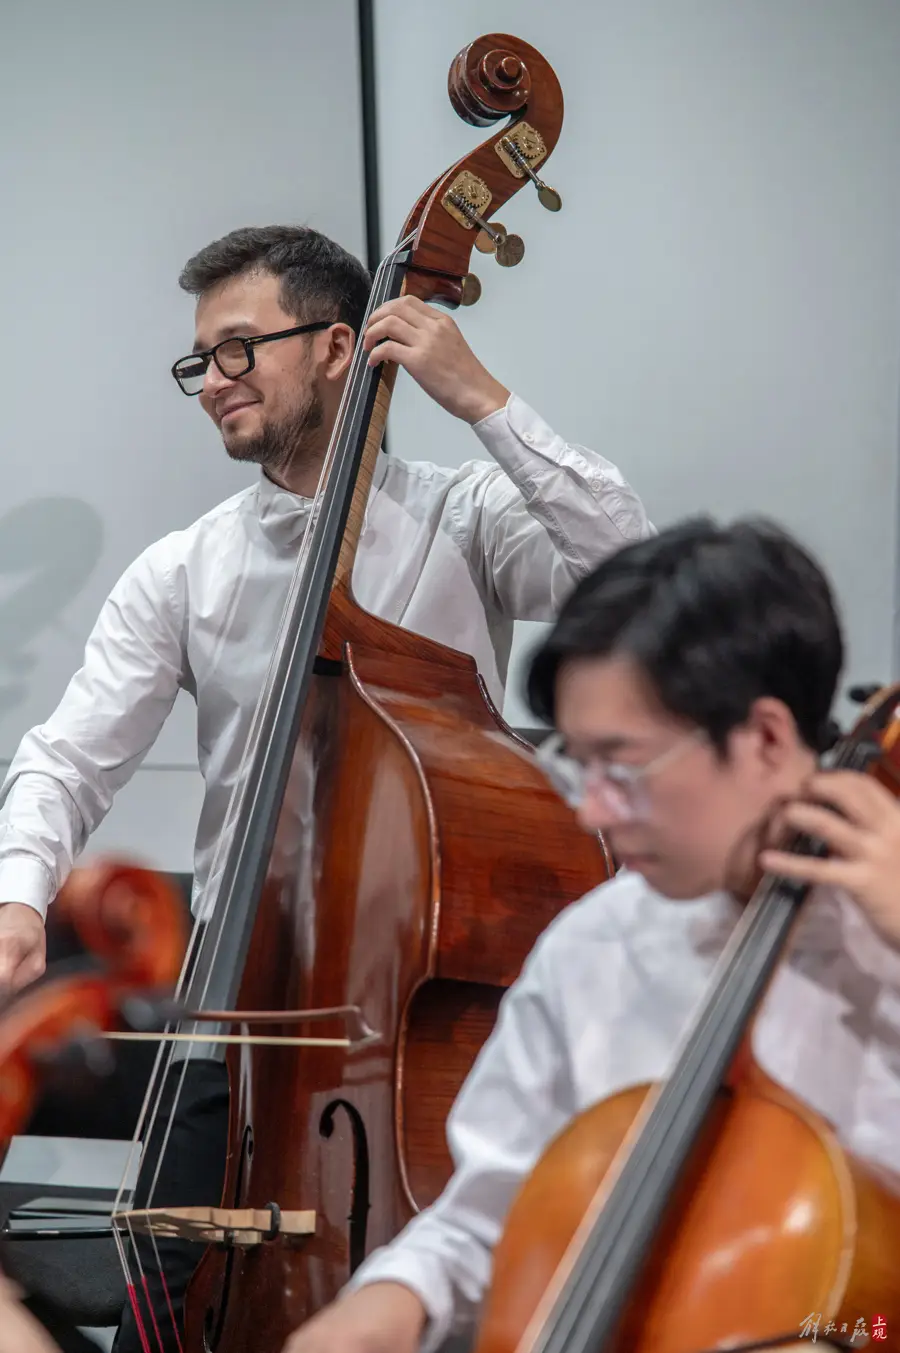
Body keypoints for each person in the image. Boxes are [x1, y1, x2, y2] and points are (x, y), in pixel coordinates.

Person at [0, 225, 653, 1350]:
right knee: (161, 1297)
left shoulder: (464, 517)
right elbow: (66, 756)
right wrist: (17, 896)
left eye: (240, 350)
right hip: (241, 991)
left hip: (419, 1001)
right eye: (200, 360)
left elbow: (633, 579)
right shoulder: (186, 567)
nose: (212, 383)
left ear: (342, 346)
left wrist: (484, 402)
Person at [281, 516, 900, 1353]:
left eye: (623, 764)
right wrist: (377, 1310)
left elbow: (872, 1321)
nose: (590, 808)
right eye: (578, 764)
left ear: (764, 736)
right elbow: (485, 1223)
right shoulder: (594, 944)